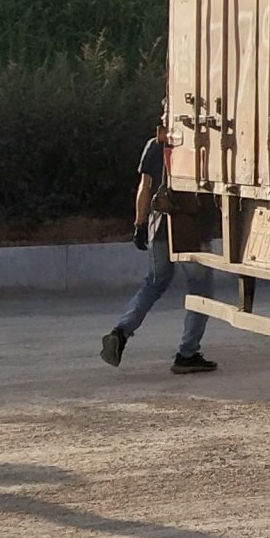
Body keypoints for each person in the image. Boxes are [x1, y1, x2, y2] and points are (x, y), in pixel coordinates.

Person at [100, 116, 217, 373]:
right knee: (200, 291)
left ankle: (120, 332)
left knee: (154, 283)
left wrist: (140, 223)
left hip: (159, 226)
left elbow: (145, 187)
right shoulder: (201, 142)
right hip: (191, 229)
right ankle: (187, 353)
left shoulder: (155, 144)